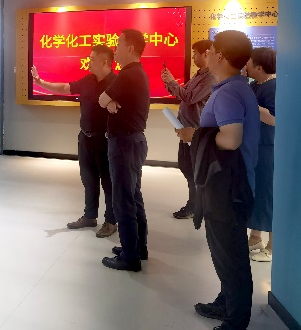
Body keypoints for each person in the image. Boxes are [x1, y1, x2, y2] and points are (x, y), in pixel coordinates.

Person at [181, 30, 259, 330]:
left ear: (221, 56)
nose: (207, 54)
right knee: (225, 252)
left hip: (228, 187)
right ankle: (226, 302)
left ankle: (235, 321)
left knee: (231, 256)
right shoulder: (236, 86)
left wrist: (194, 134)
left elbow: (231, 138)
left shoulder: (227, 92)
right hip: (229, 183)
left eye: (211, 50)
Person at [31, 45, 118, 238]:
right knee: (89, 180)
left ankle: (111, 221)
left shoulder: (116, 82)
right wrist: (40, 82)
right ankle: (90, 216)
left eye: (92, 59)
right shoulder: (88, 80)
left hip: (106, 140)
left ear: (105, 62)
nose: (89, 62)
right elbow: (65, 88)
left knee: (109, 183)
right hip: (85, 138)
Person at [98, 29, 150, 272]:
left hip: (123, 144)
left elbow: (101, 99)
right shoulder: (138, 73)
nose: (115, 49)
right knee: (133, 197)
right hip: (134, 142)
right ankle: (138, 248)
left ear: (130, 48)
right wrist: (112, 101)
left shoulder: (128, 74)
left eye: (118, 44)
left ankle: (130, 257)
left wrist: (109, 101)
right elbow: (107, 100)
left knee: (123, 200)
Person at [161, 40, 214, 219]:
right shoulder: (198, 75)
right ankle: (197, 203)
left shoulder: (211, 77)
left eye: (195, 54)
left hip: (197, 133)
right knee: (187, 168)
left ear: (207, 53)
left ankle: (196, 205)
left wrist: (171, 82)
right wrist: (169, 83)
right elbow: (183, 95)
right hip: (186, 132)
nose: (193, 58)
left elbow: (189, 97)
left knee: (195, 171)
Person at [245, 47, 276, 262]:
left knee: (268, 195)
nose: (245, 66)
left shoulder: (274, 86)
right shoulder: (255, 85)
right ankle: (255, 237)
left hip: (267, 149)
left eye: (249, 62)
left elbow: (274, 118)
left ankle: (273, 246)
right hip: (254, 148)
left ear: (259, 67)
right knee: (256, 193)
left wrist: (251, 105)